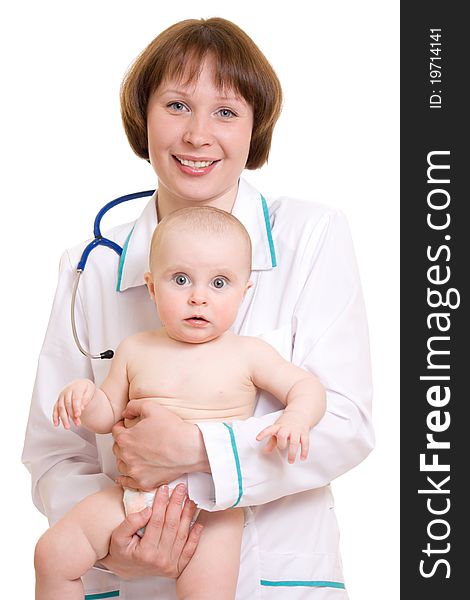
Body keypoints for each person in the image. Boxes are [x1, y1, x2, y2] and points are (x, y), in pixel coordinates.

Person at [22, 17, 374, 599]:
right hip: (127, 569)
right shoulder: (95, 266)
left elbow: (344, 421)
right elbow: (56, 451)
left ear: (255, 127)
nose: (197, 135)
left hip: (272, 573)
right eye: (177, 105)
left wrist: (200, 451)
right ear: (143, 116)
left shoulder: (310, 237)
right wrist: (120, 548)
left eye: (227, 112)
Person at [34, 206, 326, 600]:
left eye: (219, 283)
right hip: (132, 497)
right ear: (152, 287)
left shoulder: (248, 353)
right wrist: (84, 399)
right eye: (181, 279)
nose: (198, 297)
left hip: (212, 507)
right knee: (51, 554)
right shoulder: (134, 349)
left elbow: (307, 388)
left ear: (245, 291)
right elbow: (106, 415)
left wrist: (296, 419)